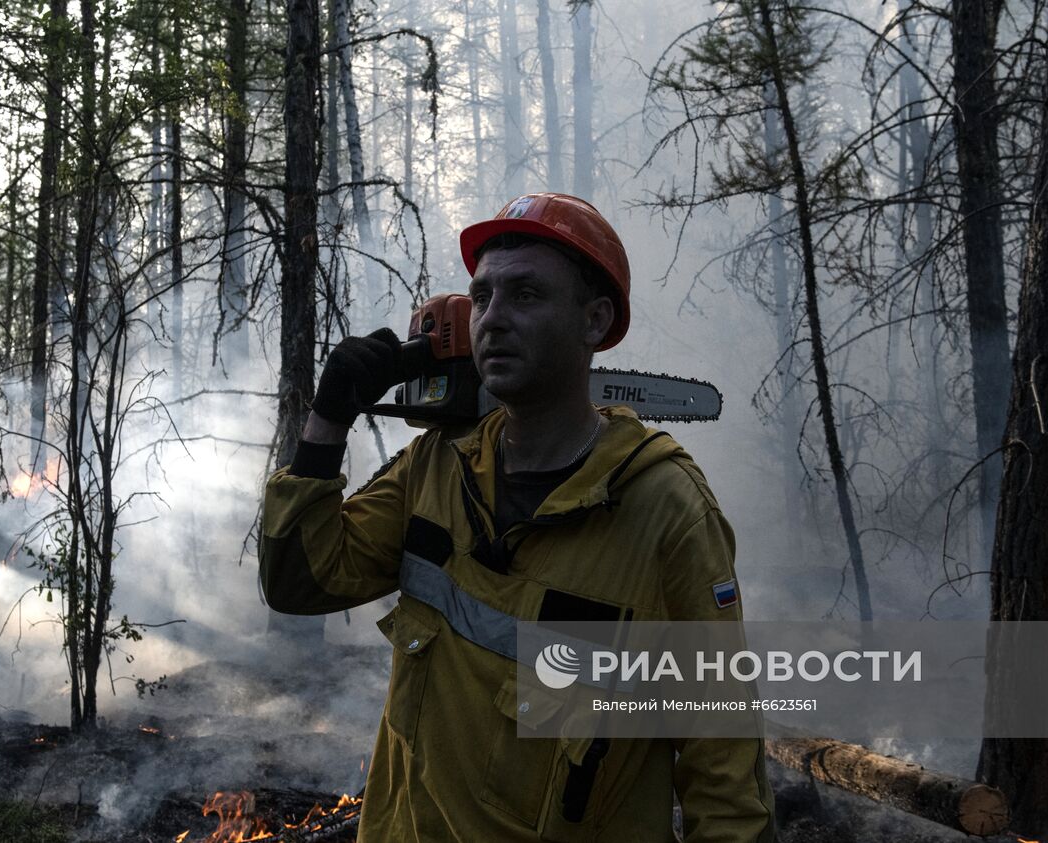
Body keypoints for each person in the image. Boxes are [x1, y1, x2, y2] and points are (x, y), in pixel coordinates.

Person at [259, 193, 775, 841]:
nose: (492, 319)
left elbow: (723, 770)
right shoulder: (437, 466)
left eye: (525, 294)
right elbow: (298, 581)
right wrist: (327, 419)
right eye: (481, 297)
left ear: (594, 320)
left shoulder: (664, 509)